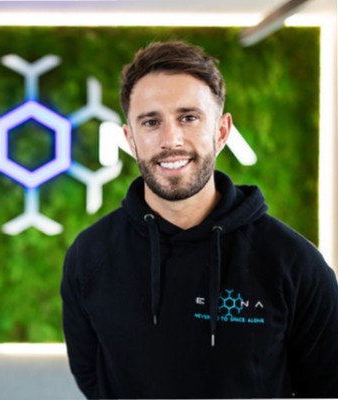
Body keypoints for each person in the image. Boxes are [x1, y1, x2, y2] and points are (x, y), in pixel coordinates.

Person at [61, 40, 338, 399]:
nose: (171, 139)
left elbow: (326, 389)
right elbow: (92, 377)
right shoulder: (89, 255)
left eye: (188, 117)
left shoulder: (293, 262)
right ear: (130, 139)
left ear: (221, 131)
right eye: (151, 122)